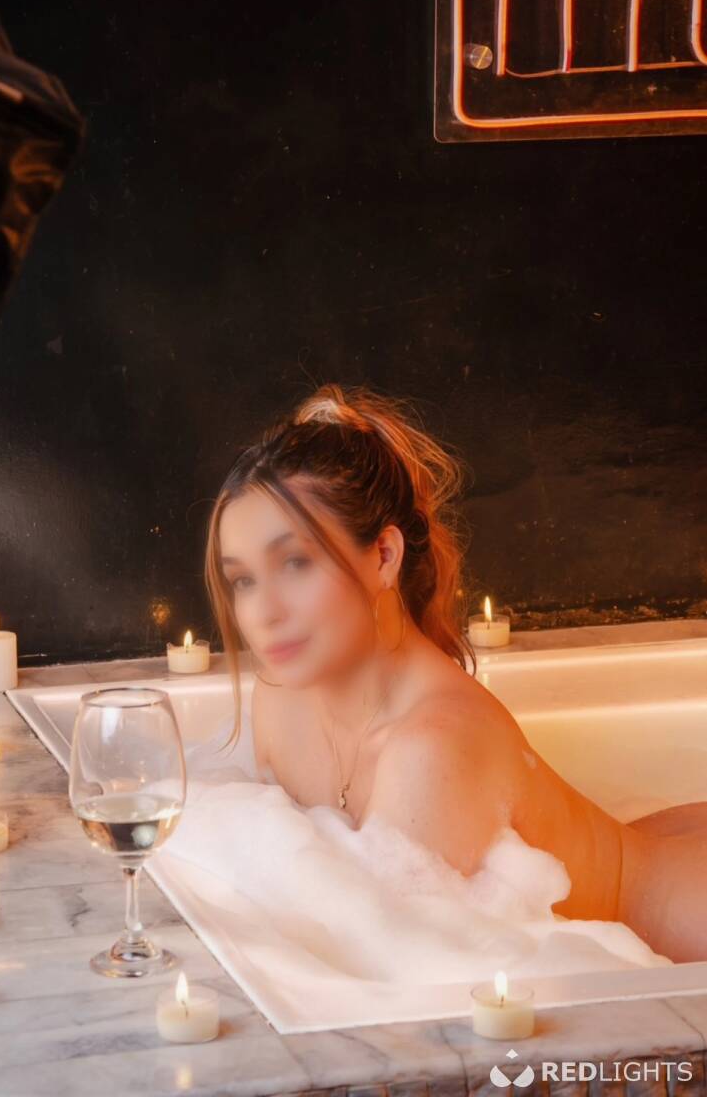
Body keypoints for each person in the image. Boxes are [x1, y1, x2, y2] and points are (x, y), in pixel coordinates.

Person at [203, 381, 707, 963]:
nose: (262, 613)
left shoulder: (430, 749)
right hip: (648, 854)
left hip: (678, 926)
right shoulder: (280, 696)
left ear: (384, 557)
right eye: (243, 579)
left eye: (295, 563)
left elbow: (398, 974)